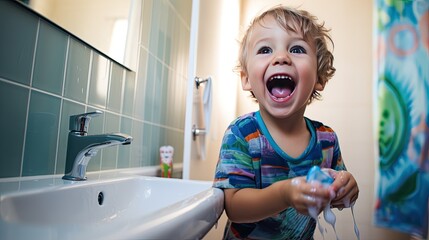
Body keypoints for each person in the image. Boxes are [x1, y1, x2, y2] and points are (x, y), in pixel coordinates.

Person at [213, 5, 359, 240]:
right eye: (265, 49)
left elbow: (339, 193)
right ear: (246, 78)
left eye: (297, 48)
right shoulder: (242, 134)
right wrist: (285, 194)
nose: (281, 57)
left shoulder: (326, 139)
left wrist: (346, 189)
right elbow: (235, 208)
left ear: (320, 78)